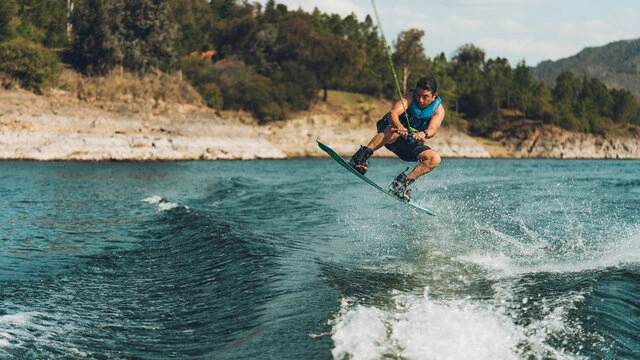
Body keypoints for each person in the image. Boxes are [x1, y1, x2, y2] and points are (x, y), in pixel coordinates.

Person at [349, 76, 445, 201]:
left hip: (407, 143)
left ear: (434, 96)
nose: (420, 100)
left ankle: (400, 185)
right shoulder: (409, 97)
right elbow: (392, 113)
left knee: (434, 159)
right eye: (418, 95)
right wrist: (399, 126)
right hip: (389, 132)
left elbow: (432, 130)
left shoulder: (439, 110)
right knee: (393, 131)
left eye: (425, 96)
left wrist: (422, 134)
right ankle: (359, 158)